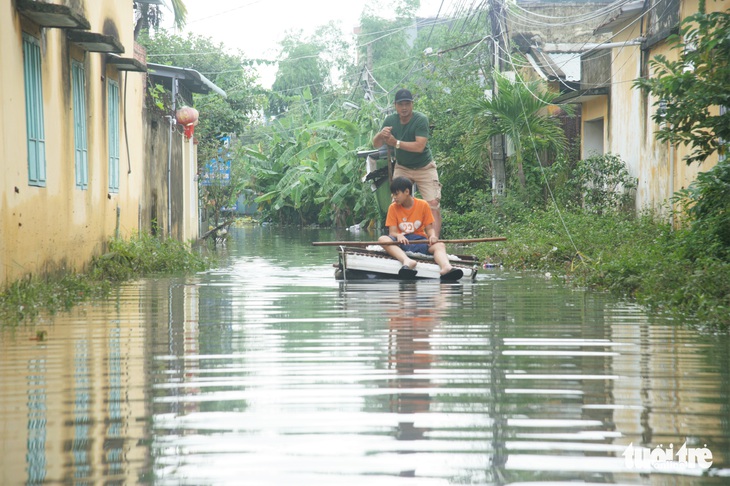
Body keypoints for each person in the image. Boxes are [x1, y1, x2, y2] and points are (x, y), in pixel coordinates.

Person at [372, 88, 443, 237]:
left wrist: (396, 143)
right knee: (397, 200)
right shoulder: (390, 121)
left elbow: (419, 146)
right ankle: (398, 238)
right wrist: (381, 134)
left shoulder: (420, 119)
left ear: (412, 104)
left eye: (407, 104)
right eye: (401, 104)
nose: (404, 108)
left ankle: (433, 240)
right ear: (395, 106)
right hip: (403, 167)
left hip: (425, 167)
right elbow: (376, 144)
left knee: (433, 204)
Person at [378, 177, 463, 281]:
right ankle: (406, 261)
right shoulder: (393, 207)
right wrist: (398, 235)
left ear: (407, 192)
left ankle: (446, 267)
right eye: (393, 194)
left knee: (439, 245)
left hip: (419, 241)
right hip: (401, 242)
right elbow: (393, 232)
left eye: (396, 194)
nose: (394, 197)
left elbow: (430, 229)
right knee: (383, 239)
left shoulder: (423, 205)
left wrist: (432, 236)